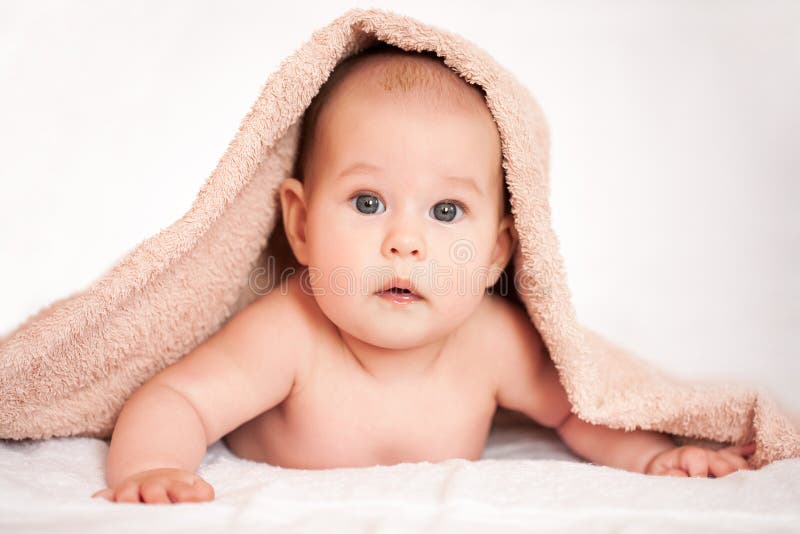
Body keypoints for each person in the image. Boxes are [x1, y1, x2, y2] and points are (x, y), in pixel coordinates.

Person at [91, 44, 755, 504]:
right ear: (299, 224)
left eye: (446, 210)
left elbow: (583, 408)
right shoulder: (288, 330)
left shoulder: (493, 341)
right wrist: (153, 467)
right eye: (368, 202)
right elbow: (178, 400)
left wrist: (654, 458)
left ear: (498, 251)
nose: (405, 241)